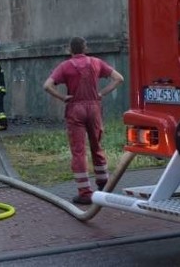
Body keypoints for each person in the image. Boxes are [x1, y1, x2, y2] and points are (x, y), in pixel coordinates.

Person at [43, 36, 124, 205]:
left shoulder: (65, 66)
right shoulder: (96, 62)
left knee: (79, 151)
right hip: (94, 108)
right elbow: (119, 78)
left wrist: (63, 97)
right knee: (97, 146)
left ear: (70, 50)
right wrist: (101, 93)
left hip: (75, 108)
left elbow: (47, 85)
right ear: (85, 48)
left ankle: (85, 192)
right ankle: (104, 185)